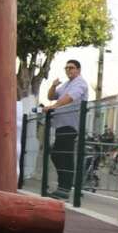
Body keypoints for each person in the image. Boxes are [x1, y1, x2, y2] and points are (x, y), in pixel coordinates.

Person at [43, 58, 88, 190]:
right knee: (58, 155)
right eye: (66, 68)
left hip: (70, 126)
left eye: (71, 67)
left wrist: (54, 106)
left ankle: (65, 188)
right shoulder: (67, 84)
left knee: (64, 156)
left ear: (78, 70)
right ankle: (64, 186)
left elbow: (70, 98)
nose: (68, 70)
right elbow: (51, 96)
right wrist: (53, 85)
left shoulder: (80, 83)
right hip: (61, 126)